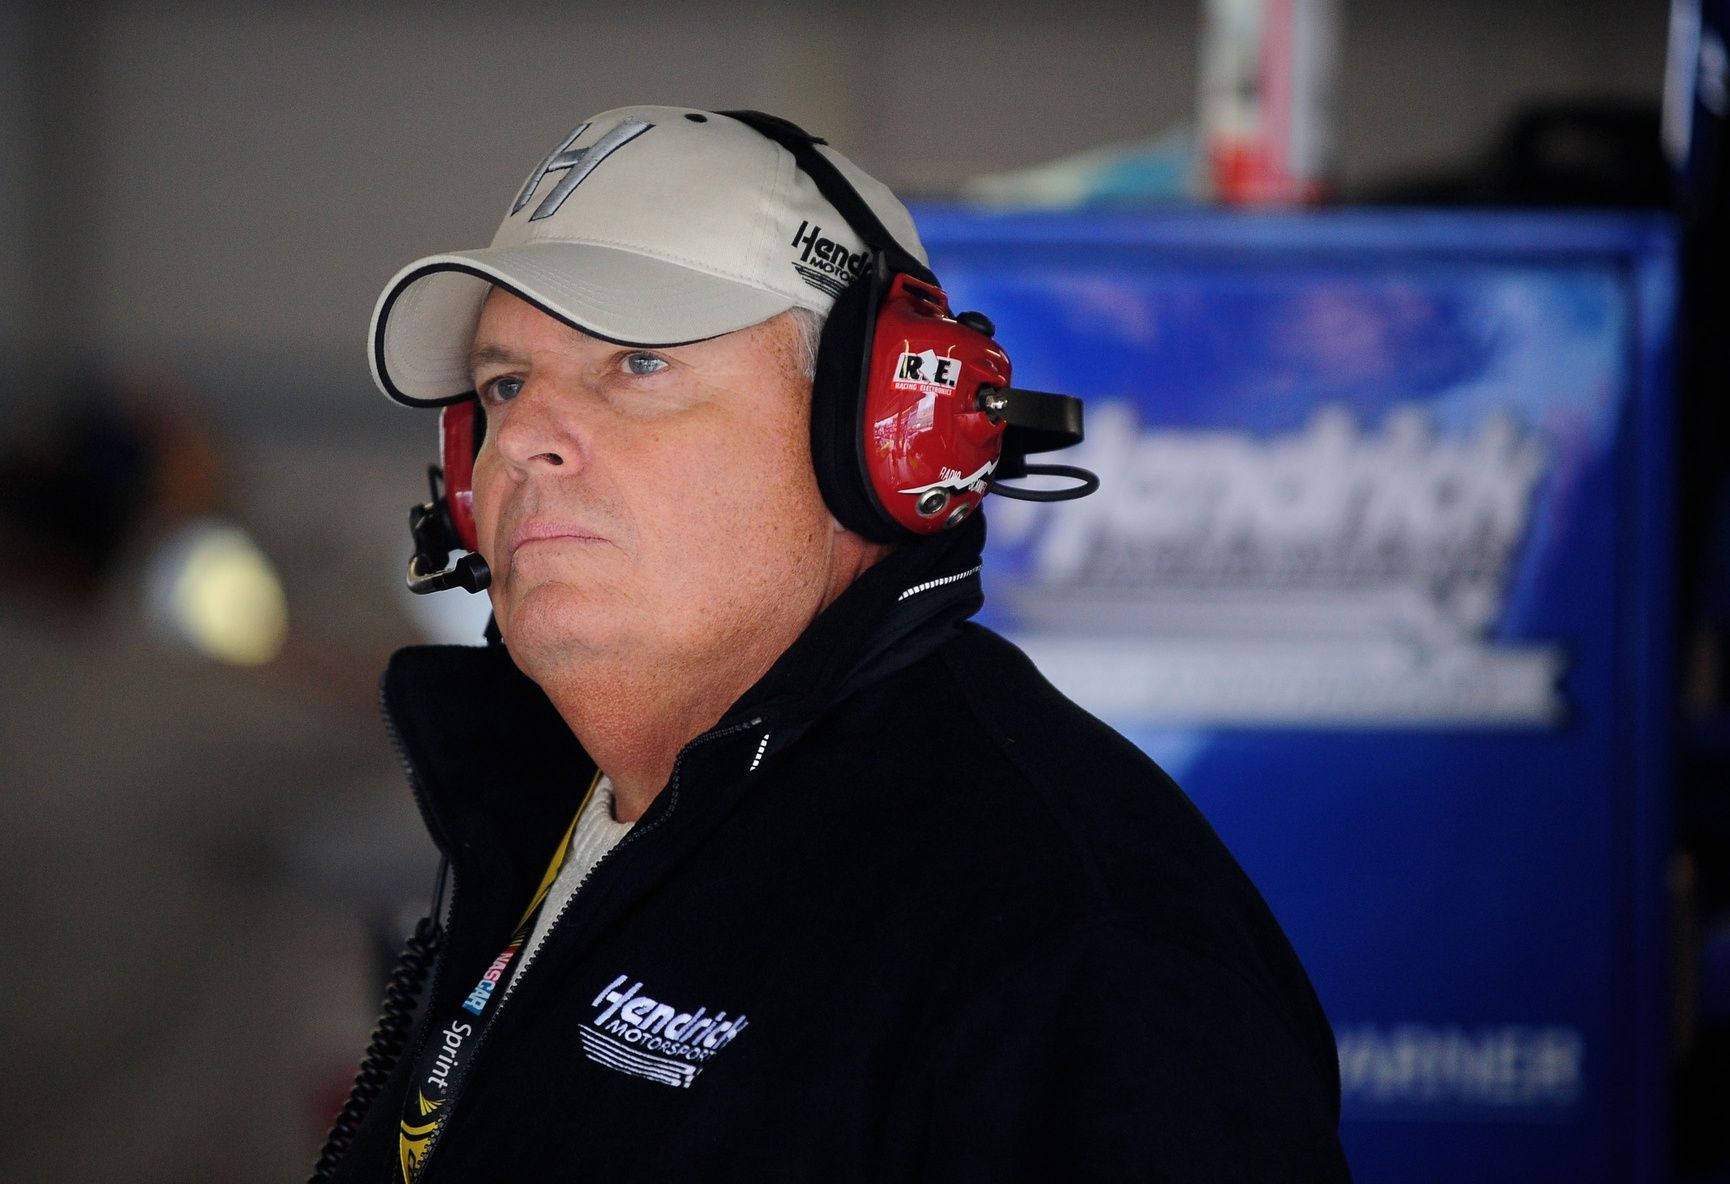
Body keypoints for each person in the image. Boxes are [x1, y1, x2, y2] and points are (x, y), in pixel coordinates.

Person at [315, 106, 1350, 1183]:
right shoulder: (539, 814)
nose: (522, 437)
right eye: (504, 383)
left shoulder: (1074, 937)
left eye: (638, 363)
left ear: (877, 428)